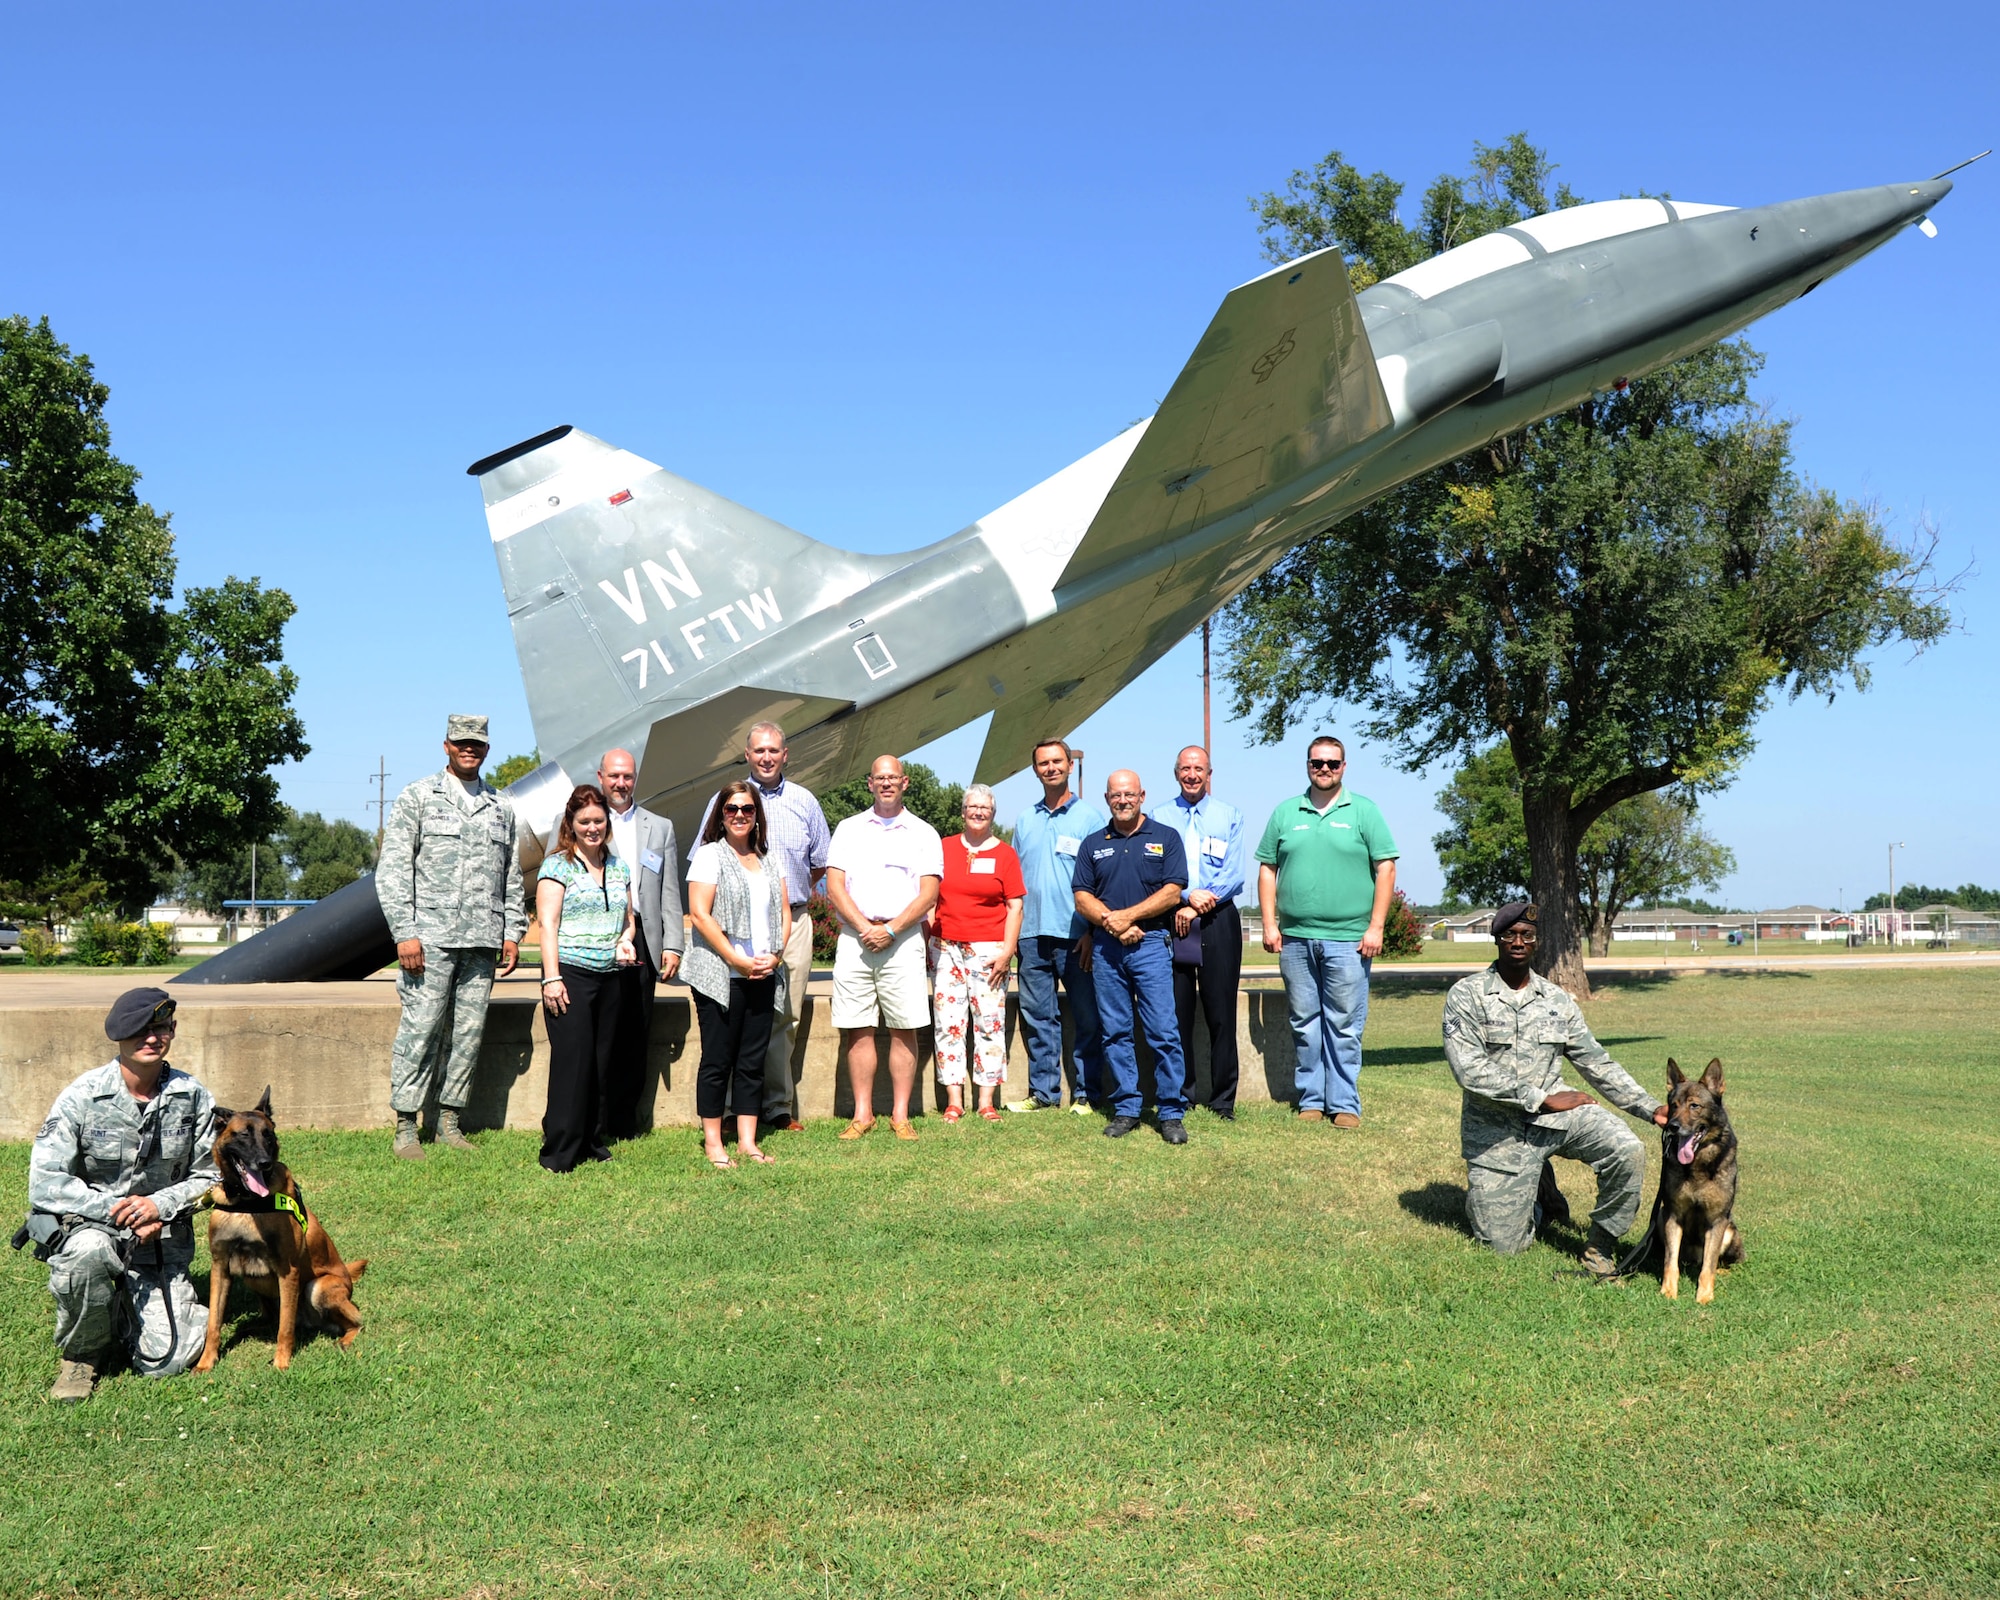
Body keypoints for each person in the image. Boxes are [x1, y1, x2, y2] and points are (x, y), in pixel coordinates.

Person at [1442, 903, 1669, 1276]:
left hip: (1557, 1119)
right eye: (1509, 935)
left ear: (1536, 942)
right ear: (1497, 940)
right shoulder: (1467, 996)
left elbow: (1595, 1061)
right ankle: (1537, 1192)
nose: (1518, 942)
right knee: (1503, 1248)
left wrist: (1650, 1107)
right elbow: (1470, 1070)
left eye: (1526, 935)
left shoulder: (1556, 1000)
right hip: (1498, 1132)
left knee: (1626, 1149)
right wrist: (1541, 1099)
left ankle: (1600, 1246)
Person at [24, 988, 220, 1401]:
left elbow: (212, 1175)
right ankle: (82, 1355)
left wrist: (159, 1206)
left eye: (160, 1028)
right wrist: (118, 1210)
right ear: (119, 1037)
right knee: (87, 1253)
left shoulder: (193, 1096)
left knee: (168, 1361)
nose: (152, 1039)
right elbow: (45, 1181)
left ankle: (124, 1311)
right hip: (94, 1230)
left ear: (173, 1031)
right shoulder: (84, 1094)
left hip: (160, 1243)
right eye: (140, 1031)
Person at [375, 713, 525, 1160]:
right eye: (461, 743)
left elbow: (511, 876)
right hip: (430, 941)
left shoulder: (501, 807)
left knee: (467, 1034)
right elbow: (394, 870)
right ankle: (405, 1126)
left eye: (476, 744)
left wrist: (512, 931)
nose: (468, 749)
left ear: (486, 749)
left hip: (481, 940)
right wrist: (405, 932)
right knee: (420, 1032)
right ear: (446, 746)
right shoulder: (418, 797)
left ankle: (449, 1122)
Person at [693, 722, 831, 1134]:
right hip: (735, 928)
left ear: (785, 754)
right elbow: (705, 863)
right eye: (759, 751)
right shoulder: (727, 799)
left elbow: (819, 861)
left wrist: (784, 907)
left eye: (774, 750)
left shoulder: (805, 801)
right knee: (734, 1019)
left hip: (792, 920)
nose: (766, 757)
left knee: (784, 1018)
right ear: (748, 756)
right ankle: (731, 1109)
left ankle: (776, 1106)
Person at [1255, 735, 1398, 1128]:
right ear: (1307, 765)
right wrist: (1270, 923)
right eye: (1317, 763)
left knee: (1344, 1024)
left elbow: (1385, 867)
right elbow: (1268, 868)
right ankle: (1312, 1099)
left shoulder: (1364, 811)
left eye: (1332, 763)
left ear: (1344, 767)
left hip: (1350, 939)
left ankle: (1345, 1104)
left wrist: (1375, 927)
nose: (1324, 769)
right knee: (1305, 1022)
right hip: (1296, 939)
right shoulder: (1286, 812)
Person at [823, 755, 942, 1140]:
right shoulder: (849, 828)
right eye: (879, 778)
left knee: (903, 1028)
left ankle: (900, 1115)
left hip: (903, 938)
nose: (886, 783)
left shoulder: (923, 832)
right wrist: (863, 927)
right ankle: (863, 1114)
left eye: (893, 777)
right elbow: (835, 884)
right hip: (854, 939)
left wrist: (890, 929)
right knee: (858, 1029)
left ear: (905, 782)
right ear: (870, 783)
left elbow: (929, 893)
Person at [1071, 770, 1191, 1143]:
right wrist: (1114, 923)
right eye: (1115, 795)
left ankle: (1171, 1111)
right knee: (1116, 1032)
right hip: (1108, 949)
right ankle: (1126, 1108)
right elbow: (1081, 897)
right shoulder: (1093, 843)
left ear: (1142, 796)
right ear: (1107, 798)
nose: (1122, 800)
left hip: (1152, 943)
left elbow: (1173, 893)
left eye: (1129, 794)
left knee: (1163, 1031)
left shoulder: (1165, 838)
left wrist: (1129, 917)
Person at [683, 782, 791, 1168]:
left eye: (747, 808)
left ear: (757, 814)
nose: (740, 815)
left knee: (752, 1059)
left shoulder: (769, 859)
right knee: (718, 1059)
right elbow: (699, 913)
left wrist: (775, 957)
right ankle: (714, 1143)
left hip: (762, 973)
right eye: (732, 809)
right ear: (721, 815)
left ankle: (748, 1141)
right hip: (720, 975)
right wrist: (737, 960)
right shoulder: (710, 855)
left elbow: (784, 913)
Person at [535, 785, 639, 1173]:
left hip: (610, 977)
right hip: (570, 977)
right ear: (571, 825)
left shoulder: (619, 868)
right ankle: (559, 1151)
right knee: (572, 1064)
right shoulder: (557, 866)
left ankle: (592, 1140)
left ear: (607, 823)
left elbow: (629, 921)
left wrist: (626, 942)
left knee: (600, 1062)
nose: (592, 828)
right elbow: (548, 925)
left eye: (598, 820)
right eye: (584, 822)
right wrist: (551, 979)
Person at [1007, 738, 1108, 1114]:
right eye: (1043, 763)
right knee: (1038, 1019)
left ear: (1069, 765)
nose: (1050, 768)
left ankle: (1087, 1093)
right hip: (1031, 936)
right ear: (1035, 770)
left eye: (1057, 761)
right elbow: (1014, 881)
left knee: (1087, 1017)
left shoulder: (1090, 818)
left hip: (1076, 936)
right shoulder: (1025, 819)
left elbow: (1103, 880)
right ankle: (1044, 1094)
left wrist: (1092, 931)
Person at [1152, 746, 1246, 1119]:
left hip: (1217, 919)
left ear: (1209, 773)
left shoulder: (1230, 815)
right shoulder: (1157, 816)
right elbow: (1155, 869)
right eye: (1185, 768)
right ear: (1176, 773)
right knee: (1176, 1014)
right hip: (1171, 918)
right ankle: (1182, 1094)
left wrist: (1199, 904)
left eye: (1199, 769)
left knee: (1221, 1013)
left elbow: (1235, 873)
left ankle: (1223, 1100)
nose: (1192, 775)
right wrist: (1186, 897)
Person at [597, 748, 685, 1143]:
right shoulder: (586, 820)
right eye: (614, 776)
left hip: (645, 947)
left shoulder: (659, 827)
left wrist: (674, 945)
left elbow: (669, 891)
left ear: (636, 778)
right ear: (601, 777)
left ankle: (624, 1121)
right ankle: (595, 1118)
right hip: (597, 944)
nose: (621, 783)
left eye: (627, 776)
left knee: (636, 1033)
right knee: (600, 1034)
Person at [926, 784, 1024, 1123]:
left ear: (993, 813)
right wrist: (928, 941)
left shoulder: (1006, 855)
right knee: (948, 1023)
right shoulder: (944, 847)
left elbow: (1015, 906)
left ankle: (985, 1101)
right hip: (946, 948)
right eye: (972, 807)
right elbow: (930, 898)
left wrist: (1008, 950)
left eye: (984, 807)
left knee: (989, 1024)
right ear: (963, 811)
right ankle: (954, 1099)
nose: (978, 812)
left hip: (989, 950)